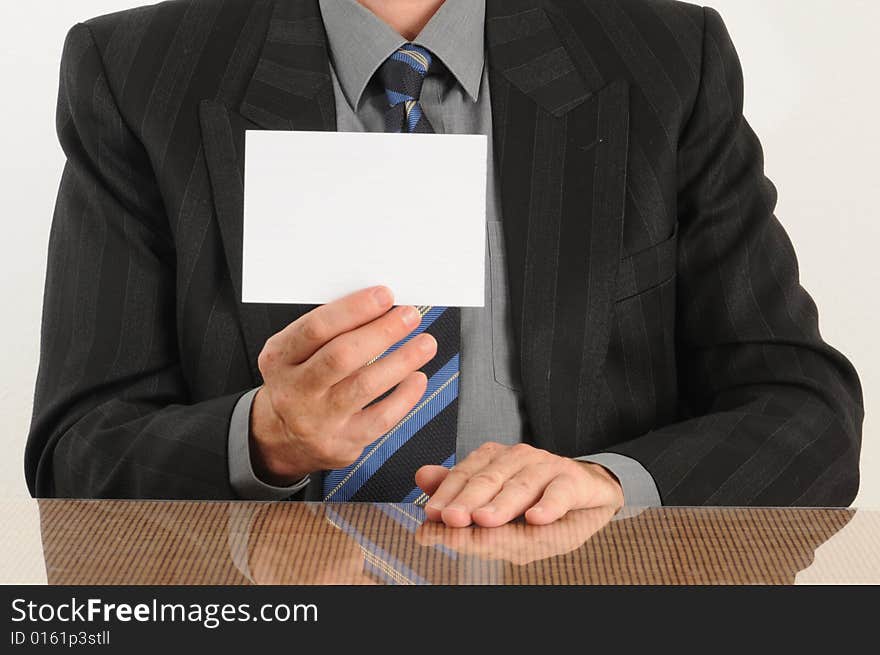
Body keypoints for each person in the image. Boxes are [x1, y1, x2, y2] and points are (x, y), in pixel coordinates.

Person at [26, 0, 863, 528]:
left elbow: (808, 418)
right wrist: (262, 439)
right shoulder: (136, 73)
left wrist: (609, 484)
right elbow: (76, 452)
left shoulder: (668, 59)